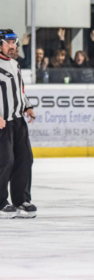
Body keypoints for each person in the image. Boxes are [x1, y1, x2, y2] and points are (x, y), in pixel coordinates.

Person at [0, 29, 37, 219]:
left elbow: (20, 90)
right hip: (2, 123)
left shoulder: (15, 64)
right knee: (5, 161)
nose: (13, 46)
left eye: (14, 42)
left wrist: (27, 106)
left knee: (25, 159)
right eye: (9, 42)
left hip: (18, 121)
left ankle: (21, 200)